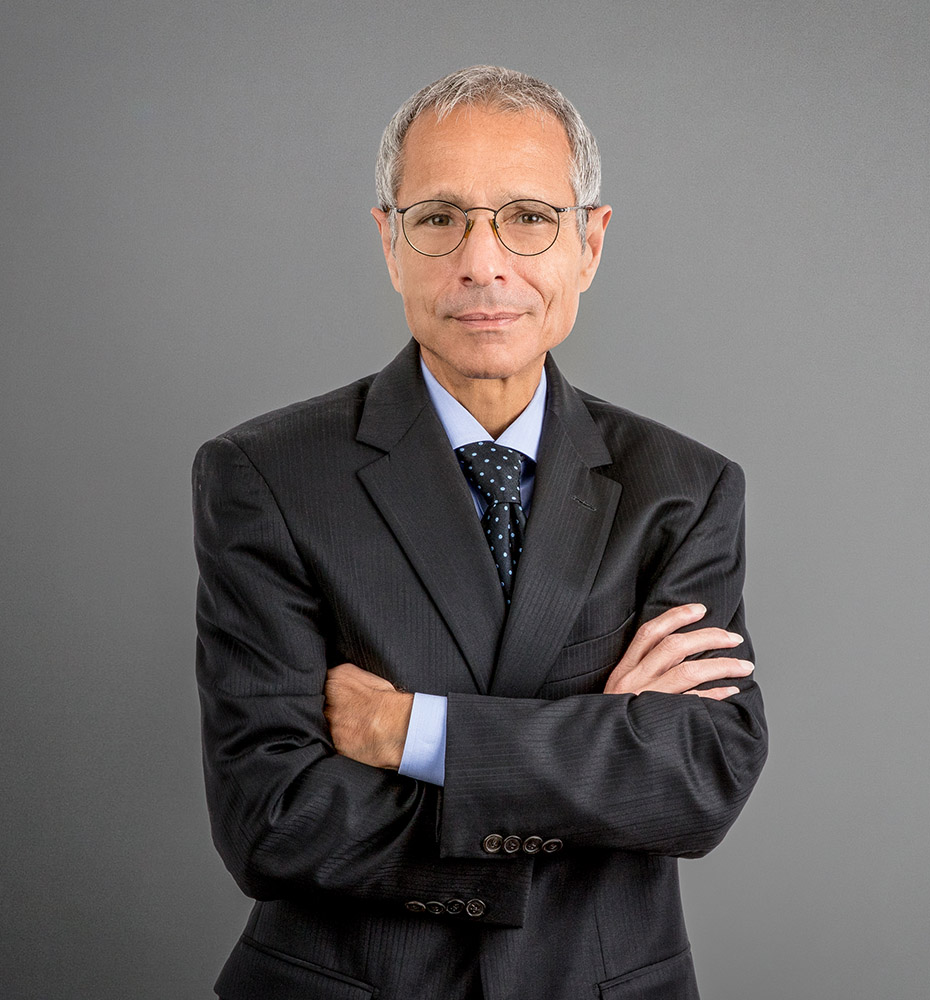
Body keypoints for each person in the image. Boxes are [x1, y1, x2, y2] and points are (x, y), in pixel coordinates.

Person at [193, 65, 767, 1000]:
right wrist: (601, 750)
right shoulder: (267, 476)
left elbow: (699, 779)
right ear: (391, 242)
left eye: (529, 217)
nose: (483, 262)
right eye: (439, 218)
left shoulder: (685, 489)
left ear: (590, 242)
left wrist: (415, 732)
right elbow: (273, 819)